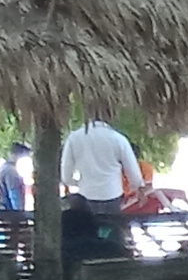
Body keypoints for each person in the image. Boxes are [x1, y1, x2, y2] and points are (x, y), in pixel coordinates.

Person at [61, 111, 152, 261]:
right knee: (112, 232)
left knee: (87, 233)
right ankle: (111, 264)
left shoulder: (74, 138)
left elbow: (66, 176)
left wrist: (79, 182)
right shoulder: (117, 138)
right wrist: (139, 189)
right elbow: (134, 173)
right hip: (112, 195)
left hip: (86, 196)